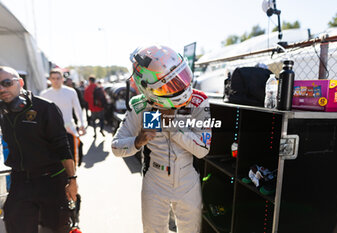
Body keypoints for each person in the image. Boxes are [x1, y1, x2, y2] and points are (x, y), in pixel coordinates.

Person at [111, 45, 212, 232]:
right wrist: (137, 141)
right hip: (154, 181)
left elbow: (203, 149)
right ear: (149, 89)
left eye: (181, 78)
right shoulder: (140, 105)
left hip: (188, 179)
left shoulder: (199, 100)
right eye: (170, 84)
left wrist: (172, 126)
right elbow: (116, 147)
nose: (181, 86)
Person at [0, 66, 78, 233]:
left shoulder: (45, 108)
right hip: (20, 180)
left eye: (7, 83)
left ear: (20, 82)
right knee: (14, 222)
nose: (2, 88)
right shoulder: (2, 111)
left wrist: (72, 180)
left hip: (51, 180)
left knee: (54, 228)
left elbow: (62, 146)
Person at [41, 69, 86, 166]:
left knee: (72, 157)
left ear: (62, 79)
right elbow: (42, 115)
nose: (55, 81)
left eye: (58, 78)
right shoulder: (44, 94)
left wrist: (82, 124)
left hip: (69, 129)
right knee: (56, 159)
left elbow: (77, 109)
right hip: (51, 132)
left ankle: (73, 179)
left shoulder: (71, 92)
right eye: (53, 78)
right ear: (50, 79)